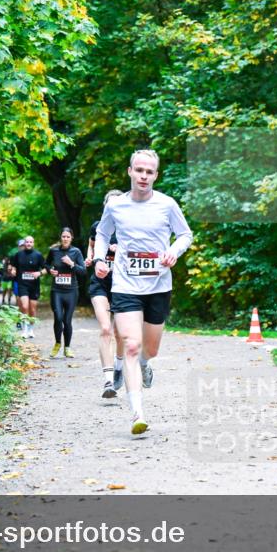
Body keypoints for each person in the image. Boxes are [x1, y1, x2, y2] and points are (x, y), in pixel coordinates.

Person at [94, 149, 192, 435]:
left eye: (149, 172)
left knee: (150, 349)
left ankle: (146, 364)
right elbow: (102, 234)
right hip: (125, 285)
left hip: (158, 286)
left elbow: (185, 234)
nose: (143, 176)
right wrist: (100, 259)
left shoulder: (167, 204)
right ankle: (137, 413)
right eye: (139, 170)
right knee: (131, 346)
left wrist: (173, 252)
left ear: (155, 175)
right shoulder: (116, 205)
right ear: (130, 172)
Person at [87, 189, 126, 399]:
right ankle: (108, 380)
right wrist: (92, 259)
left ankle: (119, 367)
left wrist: (122, 251)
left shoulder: (130, 229)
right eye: (109, 204)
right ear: (105, 207)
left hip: (122, 285)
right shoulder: (98, 227)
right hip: (100, 284)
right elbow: (91, 245)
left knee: (120, 333)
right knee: (105, 328)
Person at [46, 227, 86, 358]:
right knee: (58, 317)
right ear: (60, 237)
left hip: (71, 291)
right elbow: (46, 264)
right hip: (57, 290)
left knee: (67, 321)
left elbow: (83, 271)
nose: (65, 239)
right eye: (63, 236)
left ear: (71, 238)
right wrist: (50, 270)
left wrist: (71, 263)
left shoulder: (76, 252)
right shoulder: (54, 251)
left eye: (68, 237)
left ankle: (67, 348)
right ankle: (57, 343)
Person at [9, 236, 46, 338]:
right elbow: (13, 266)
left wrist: (39, 273)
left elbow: (46, 269)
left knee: (32, 309)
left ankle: (31, 329)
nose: (29, 244)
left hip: (34, 285)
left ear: (33, 243)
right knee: (24, 306)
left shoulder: (38, 255)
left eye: (30, 242)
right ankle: (25, 329)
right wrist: (13, 270)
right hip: (22, 284)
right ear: (24, 243)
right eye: (27, 242)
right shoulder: (18, 255)